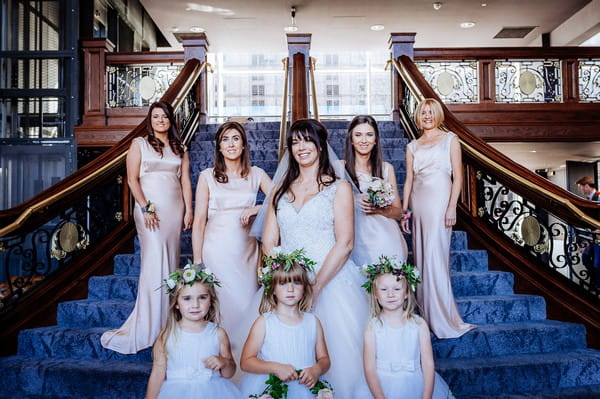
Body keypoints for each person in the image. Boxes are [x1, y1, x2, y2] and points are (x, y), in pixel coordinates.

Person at [261, 119, 371, 398]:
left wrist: (316, 286)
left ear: (320, 146)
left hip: (331, 280)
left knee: (341, 356)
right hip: (288, 283)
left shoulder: (339, 188)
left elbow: (345, 243)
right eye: (295, 142)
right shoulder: (279, 191)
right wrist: (285, 279)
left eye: (307, 140)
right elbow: (269, 243)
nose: (301, 147)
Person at [101, 101, 193, 354]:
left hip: (174, 211)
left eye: (164, 116)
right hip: (150, 210)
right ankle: (149, 326)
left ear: (171, 120)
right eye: (156, 117)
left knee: (171, 262)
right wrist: (145, 206)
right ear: (150, 120)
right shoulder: (139, 144)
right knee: (154, 263)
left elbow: (184, 180)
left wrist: (189, 210)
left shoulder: (180, 147)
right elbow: (132, 179)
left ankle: (168, 322)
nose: (160, 120)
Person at [401, 98, 475, 339]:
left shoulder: (450, 139)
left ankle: (444, 317)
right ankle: (427, 316)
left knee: (435, 256)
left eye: (431, 112)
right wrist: (405, 211)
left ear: (438, 115)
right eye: (423, 112)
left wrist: (452, 207)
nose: (427, 116)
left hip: (440, 200)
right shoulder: (412, 145)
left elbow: (458, 178)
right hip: (419, 202)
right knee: (422, 258)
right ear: (418, 116)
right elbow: (409, 181)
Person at [191, 121, 272, 334]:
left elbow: (280, 199)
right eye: (225, 139)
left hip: (246, 254)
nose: (231, 144)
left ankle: (244, 359)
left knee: (246, 304)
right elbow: (199, 222)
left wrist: (256, 208)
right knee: (221, 308)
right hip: (216, 252)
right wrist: (198, 261)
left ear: (244, 145)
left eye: (236, 139)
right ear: (218, 146)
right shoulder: (207, 176)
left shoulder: (256, 173)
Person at [359, 256, 455, 399]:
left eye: (397, 289)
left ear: (406, 294)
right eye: (384, 289)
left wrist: (427, 396)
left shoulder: (419, 324)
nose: (390, 294)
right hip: (381, 386)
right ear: (376, 295)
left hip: (415, 384)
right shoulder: (372, 327)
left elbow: (428, 363)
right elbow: (369, 368)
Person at [239, 250, 332, 398]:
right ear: (273, 289)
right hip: (272, 388)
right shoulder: (264, 322)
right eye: (283, 283)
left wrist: (316, 370)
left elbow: (324, 359)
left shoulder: (313, 322)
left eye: (296, 282)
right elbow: (246, 362)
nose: (290, 289)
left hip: (306, 387)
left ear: (304, 287)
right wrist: (276, 368)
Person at [145, 264, 240, 399]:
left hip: (213, 392)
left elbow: (229, 373)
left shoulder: (218, 333)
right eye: (187, 298)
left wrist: (224, 362)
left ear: (211, 300)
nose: (195, 305)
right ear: (176, 303)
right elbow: (157, 373)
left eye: (202, 297)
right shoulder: (167, 334)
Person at [344, 115, 408, 265]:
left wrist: (379, 209)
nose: (364, 140)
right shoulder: (340, 168)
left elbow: (398, 212)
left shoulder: (386, 169)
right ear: (351, 140)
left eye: (369, 135)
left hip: (384, 235)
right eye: (358, 135)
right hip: (355, 234)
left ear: (376, 140)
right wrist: (352, 201)